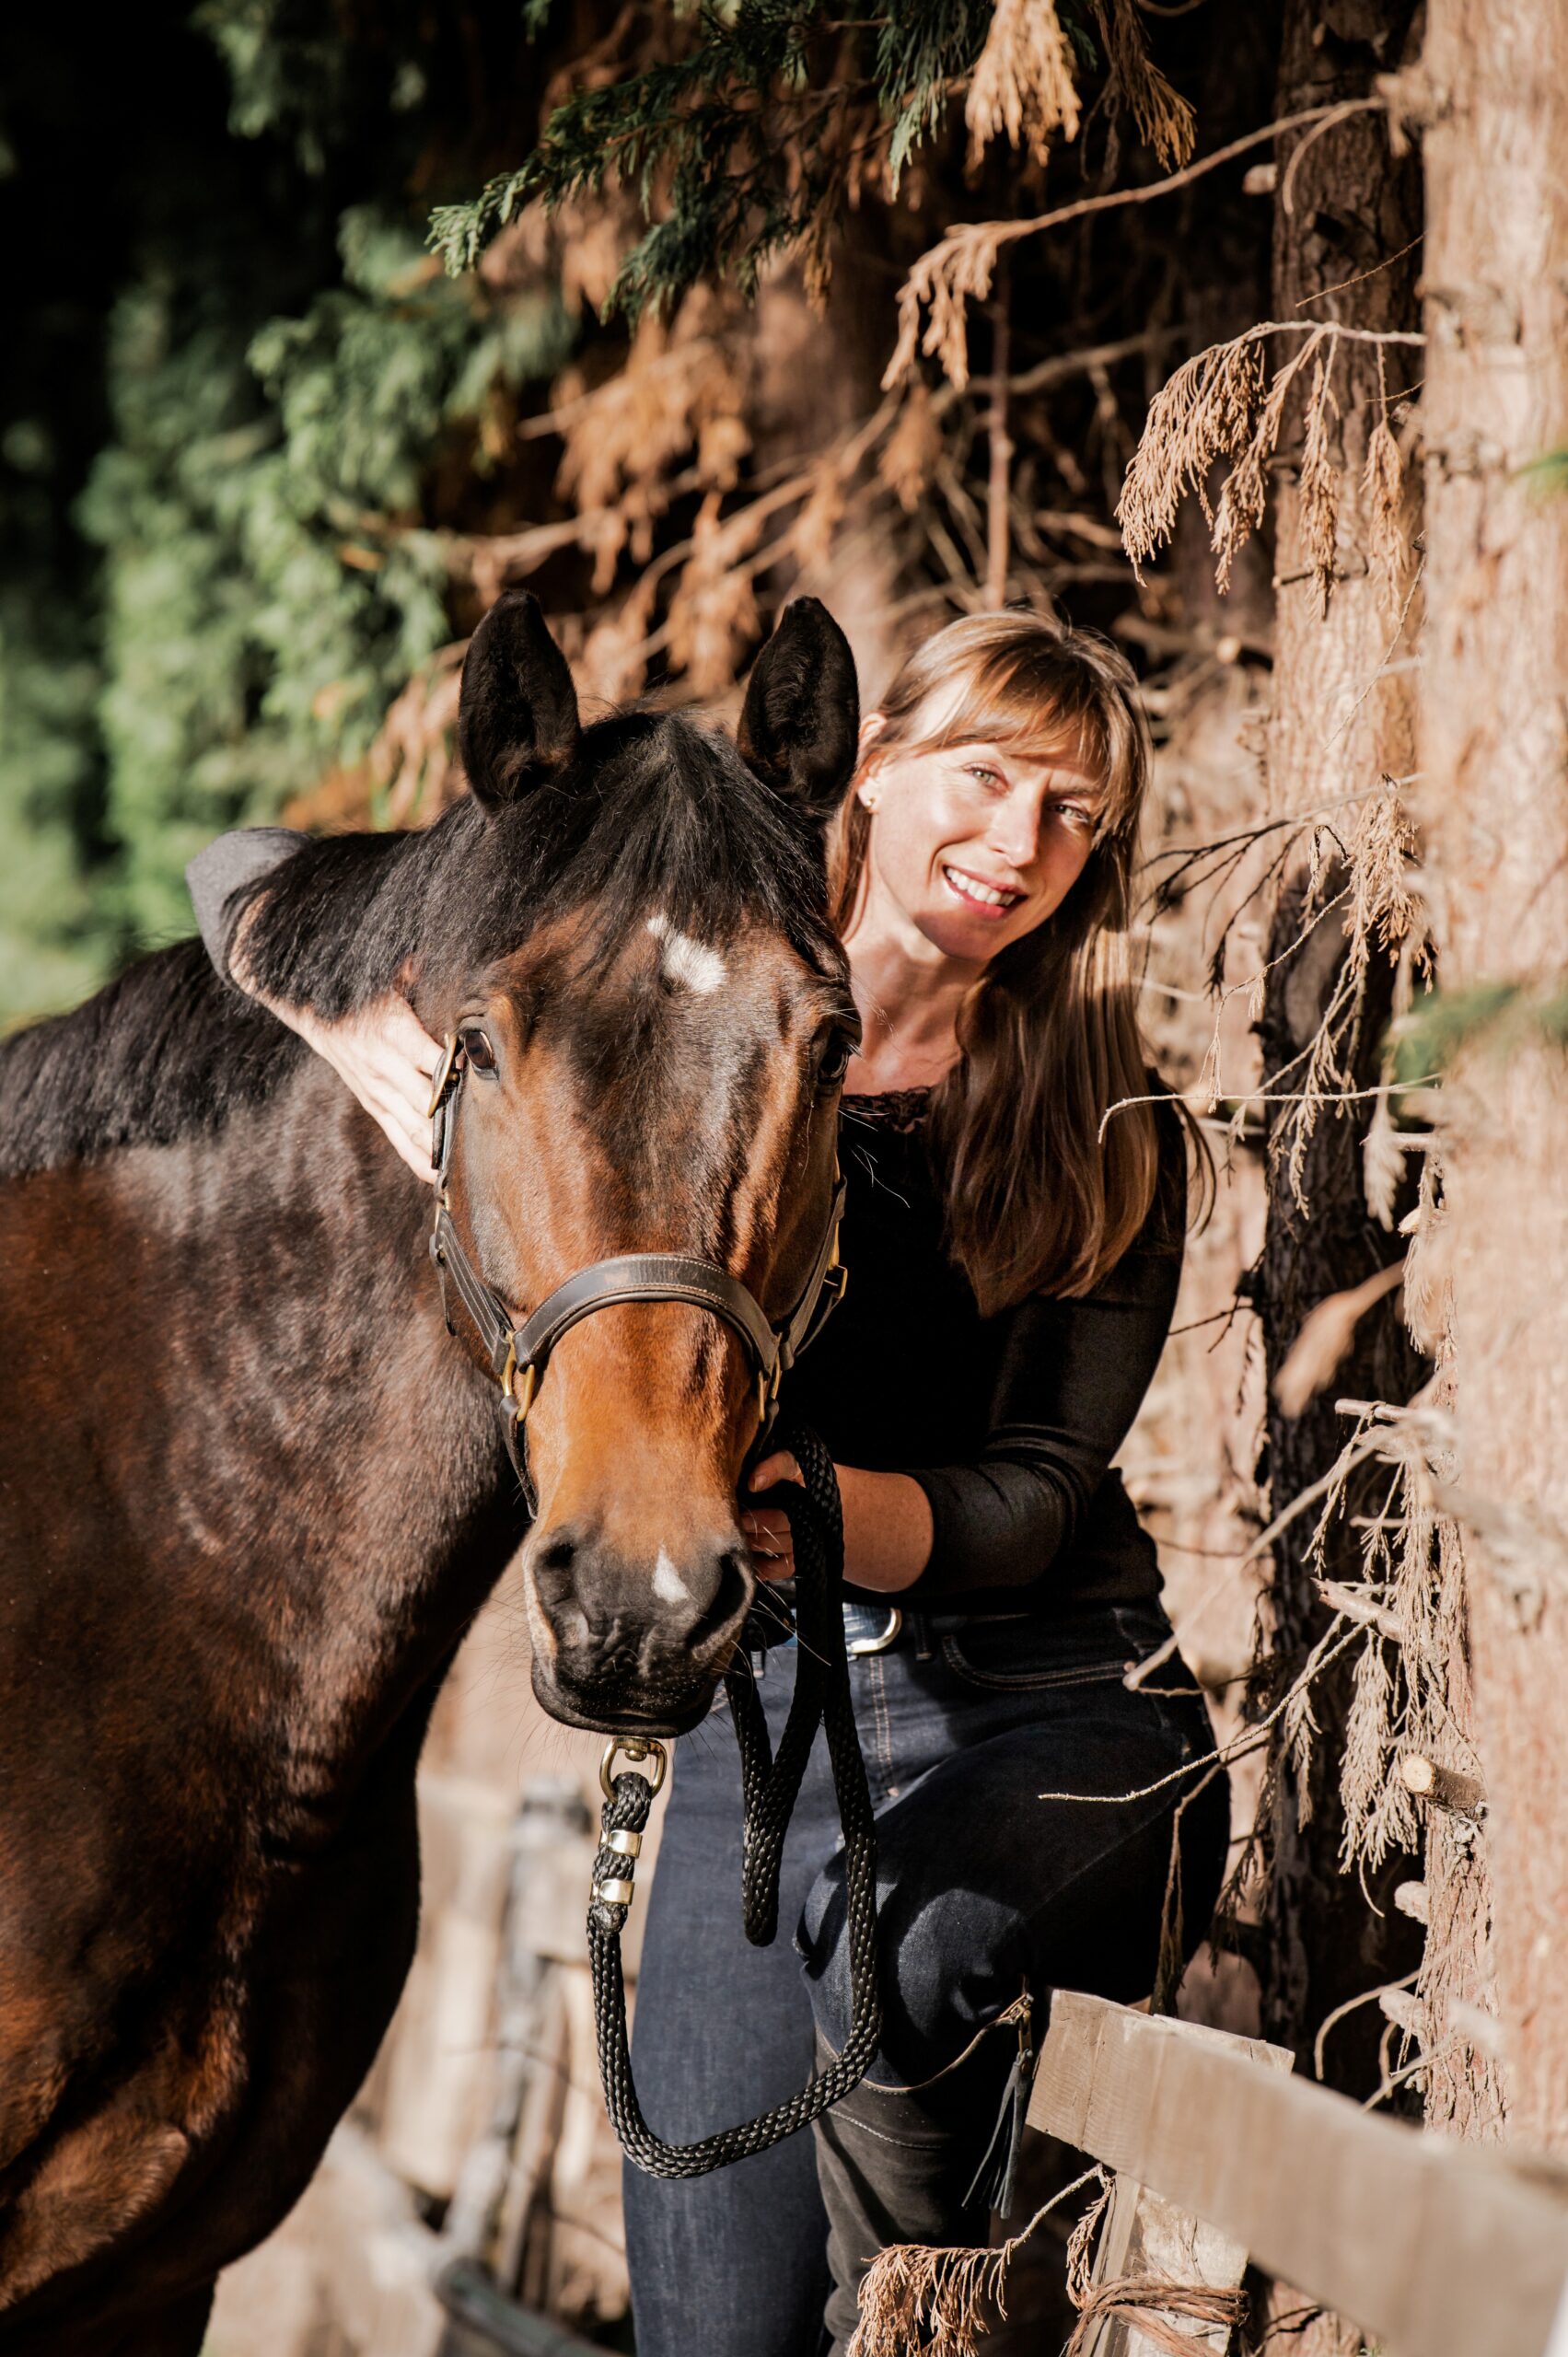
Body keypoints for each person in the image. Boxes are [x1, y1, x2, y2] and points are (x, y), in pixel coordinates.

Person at [189, 610, 1229, 2357]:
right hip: (777, 1767)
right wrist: (337, 1009)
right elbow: (243, 864)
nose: (1021, 845)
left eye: (1074, 813)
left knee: (896, 1951)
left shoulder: (1100, 1119)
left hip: (1052, 1715)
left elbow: (1041, 1496)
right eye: (986, 780)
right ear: (874, 769)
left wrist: (801, 1503)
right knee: (706, 2325)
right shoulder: (702, 1011)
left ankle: (912, 2326)